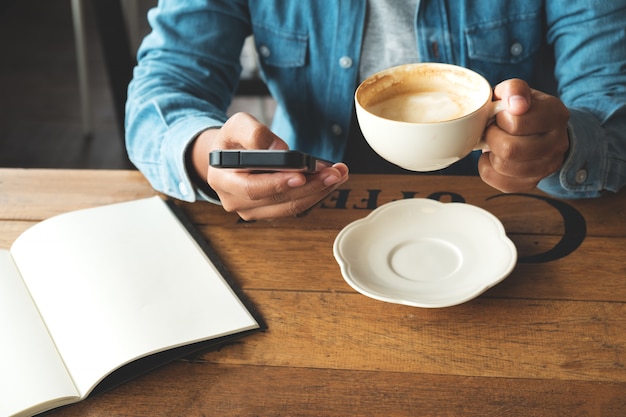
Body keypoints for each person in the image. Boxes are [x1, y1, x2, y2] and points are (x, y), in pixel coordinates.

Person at [126, 1, 626, 220]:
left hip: (514, 211)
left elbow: (610, 99)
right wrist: (205, 155)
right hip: (307, 206)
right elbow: (165, 84)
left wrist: (561, 145)